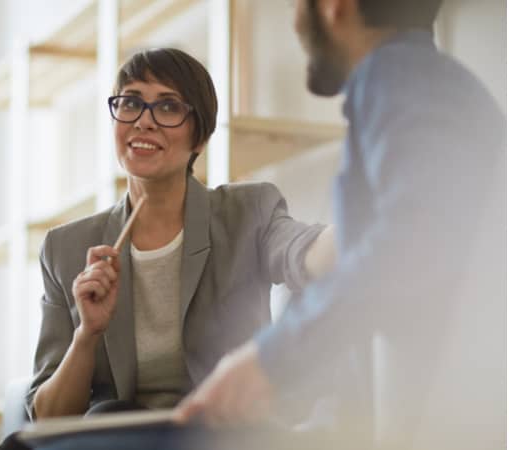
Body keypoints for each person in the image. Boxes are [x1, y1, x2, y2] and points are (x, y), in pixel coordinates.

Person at [176, 1, 506, 449]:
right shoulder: (421, 85)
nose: (295, 20)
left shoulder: (399, 77)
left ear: (335, 6)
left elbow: (406, 253)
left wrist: (268, 362)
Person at [25, 47, 335, 422]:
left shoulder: (248, 212)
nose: (144, 121)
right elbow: (47, 418)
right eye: (131, 103)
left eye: (168, 107)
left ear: (200, 137)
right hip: (116, 437)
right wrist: (87, 334)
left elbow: (300, 252)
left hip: (220, 432)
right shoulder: (65, 248)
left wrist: (370, 227)